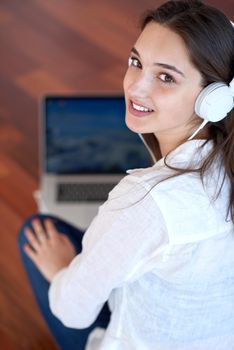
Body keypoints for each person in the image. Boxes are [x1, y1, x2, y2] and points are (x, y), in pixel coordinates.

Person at [18, 0, 234, 349]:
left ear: (215, 99)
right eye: (136, 62)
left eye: (166, 77)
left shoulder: (144, 201)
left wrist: (59, 269)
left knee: (35, 232)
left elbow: (73, 312)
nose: (135, 88)